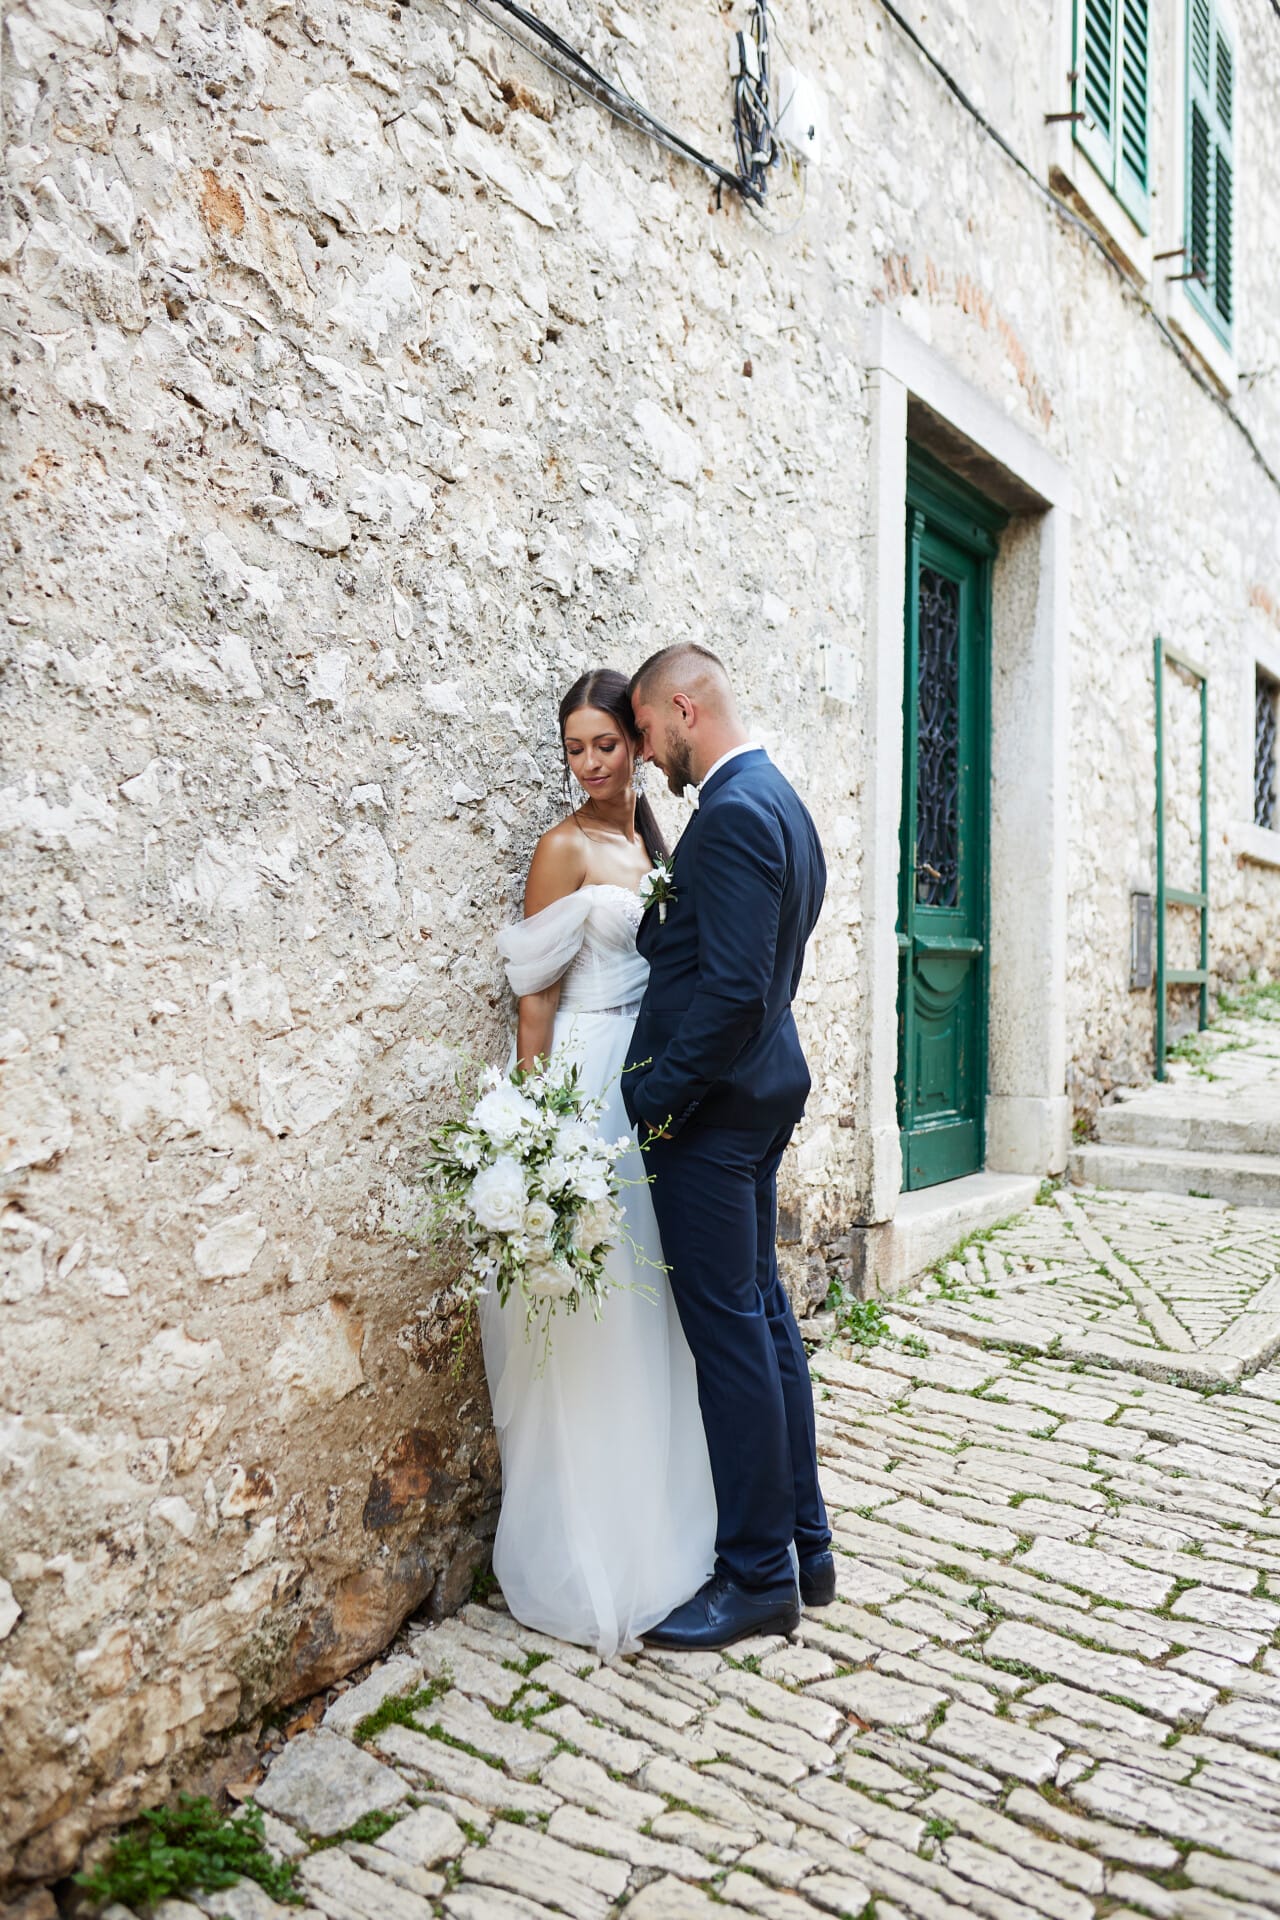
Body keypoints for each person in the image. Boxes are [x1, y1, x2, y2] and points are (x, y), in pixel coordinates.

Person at [481, 668, 716, 1657]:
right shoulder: (563, 848)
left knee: (650, 1305)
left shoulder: (653, 841)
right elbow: (533, 1003)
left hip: (645, 1083)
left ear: (638, 742)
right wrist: (537, 1137)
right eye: (574, 748)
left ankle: (661, 1526)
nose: (589, 764)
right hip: (583, 1078)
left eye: (605, 744)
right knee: (593, 1312)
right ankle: (588, 1553)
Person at [624, 642, 834, 1650]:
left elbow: (739, 990)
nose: (643, 753)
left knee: (730, 1339)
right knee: (762, 1318)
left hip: (712, 1118)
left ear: (682, 708)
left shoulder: (737, 813)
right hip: (754, 1101)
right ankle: (806, 1545)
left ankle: (754, 1577)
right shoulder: (779, 802)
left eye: (643, 731)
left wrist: (653, 1101)